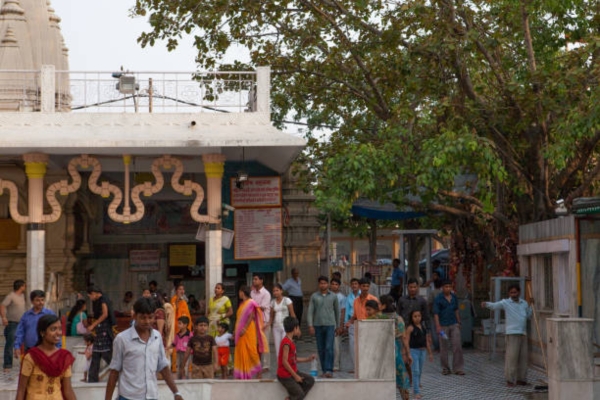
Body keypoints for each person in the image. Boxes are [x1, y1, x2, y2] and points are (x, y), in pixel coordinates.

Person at [105, 297, 184, 400]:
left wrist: (176, 392)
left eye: (150, 317)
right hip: (128, 397)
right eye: (142, 317)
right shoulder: (122, 339)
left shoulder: (157, 337)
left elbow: (163, 367)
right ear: (134, 316)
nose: (147, 321)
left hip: (152, 396)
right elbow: (114, 371)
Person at [482, 283, 532, 387]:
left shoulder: (524, 303)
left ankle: (521, 379)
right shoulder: (506, 302)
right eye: (511, 292)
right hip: (512, 333)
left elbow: (528, 316)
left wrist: (531, 306)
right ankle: (510, 379)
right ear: (509, 293)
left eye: (515, 292)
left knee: (523, 357)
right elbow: (494, 305)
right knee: (512, 357)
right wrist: (486, 304)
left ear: (519, 292)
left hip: (523, 332)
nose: (513, 294)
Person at [15, 314, 76, 400]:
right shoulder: (32, 356)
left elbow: (68, 390)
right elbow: (21, 390)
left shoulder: (64, 357)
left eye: (59, 329)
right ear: (42, 333)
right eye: (53, 329)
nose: (58, 333)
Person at [374, 295, 411, 400]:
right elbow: (404, 338)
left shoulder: (377, 318)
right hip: (397, 353)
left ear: (384, 305)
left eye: (379, 303)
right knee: (401, 378)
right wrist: (408, 354)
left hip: (382, 354)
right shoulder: (398, 318)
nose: (377, 305)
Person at [307, 275, 339, 378]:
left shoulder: (333, 296)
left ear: (328, 284)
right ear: (318, 284)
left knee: (329, 347)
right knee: (321, 348)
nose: (323, 285)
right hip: (318, 325)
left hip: (330, 324)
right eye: (321, 283)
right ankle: (324, 370)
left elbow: (337, 312)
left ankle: (329, 370)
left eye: (325, 283)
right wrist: (310, 325)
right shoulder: (314, 296)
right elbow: (310, 311)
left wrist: (338, 326)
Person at [234, 285, 268, 379]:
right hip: (240, 331)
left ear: (242, 292)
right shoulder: (241, 304)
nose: (239, 294)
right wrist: (235, 331)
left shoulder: (251, 303)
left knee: (252, 351)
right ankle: (242, 373)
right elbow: (238, 319)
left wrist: (244, 329)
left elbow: (251, 316)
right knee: (241, 351)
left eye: (239, 292)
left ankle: (259, 371)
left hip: (248, 330)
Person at [277, 316, 316, 400]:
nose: (299, 330)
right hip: (285, 375)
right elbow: (285, 362)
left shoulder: (291, 342)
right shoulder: (286, 343)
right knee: (300, 394)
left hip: (293, 372)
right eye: (298, 328)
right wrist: (295, 376)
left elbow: (294, 359)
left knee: (310, 380)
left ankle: (291, 398)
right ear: (295, 328)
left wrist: (308, 359)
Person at [433, 280, 464, 376]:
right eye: (446, 286)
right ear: (442, 287)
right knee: (444, 347)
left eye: (449, 286)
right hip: (443, 326)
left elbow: (456, 310)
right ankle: (445, 368)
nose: (448, 288)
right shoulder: (438, 298)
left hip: (454, 324)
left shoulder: (454, 297)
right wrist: (438, 326)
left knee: (457, 345)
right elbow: (436, 314)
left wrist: (459, 322)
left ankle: (458, 368)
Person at [14, 290, 57, 358]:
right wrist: (17, 347)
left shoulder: (50, 314)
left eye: (42, 300)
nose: (40, 302)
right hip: (30, 349)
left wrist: (57, 348)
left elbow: (56, 332)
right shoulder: (26, 315)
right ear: (32, 301)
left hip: (46, 350)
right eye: (37, 300)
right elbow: (20, 332)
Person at [85, 285, 114, 383]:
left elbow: (105, 314)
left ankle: (119, 374)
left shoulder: (103, 300)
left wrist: (93, 325)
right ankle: (92, 378)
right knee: (96, 353)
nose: (90, 298)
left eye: (90, 296)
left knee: (107, 354)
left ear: (94, 293)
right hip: (99, 330)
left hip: (104, 329)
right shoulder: (96, 302)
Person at [406, 310, 433, 399]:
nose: (417, 318)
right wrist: (408, 354)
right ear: (411, 318)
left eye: (419, 316)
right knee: (415, 371)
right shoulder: (410, 328)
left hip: (422, 351)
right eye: (415, 316)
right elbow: (406, 341)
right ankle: (416, 391)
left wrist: (430, 353)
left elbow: (426, 341)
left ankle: (417, 385)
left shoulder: (423, 327)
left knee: (420, 371)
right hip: (414, 351)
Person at [0, 279, 26, 371]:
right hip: (12, 323)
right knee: (10, 344)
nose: (25, 287)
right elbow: (2, 305)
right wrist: (4, 317)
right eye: (24, 286)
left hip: (22, 323)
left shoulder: (23, 296)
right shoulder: (11, 296)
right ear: (20, 286)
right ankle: (7, 365)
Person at [250, 273, 272, 372]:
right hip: (253, 321)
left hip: (263, 321)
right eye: (253, 279)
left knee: (264, 343)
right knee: (254, 343)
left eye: (256, 279)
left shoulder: (266, 293)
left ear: (261, 280)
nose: (254, 281)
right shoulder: (252, 293)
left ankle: (266, 365)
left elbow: (261, 307)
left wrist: (254, 306)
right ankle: (256, 364)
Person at [270, 283, 296, 362]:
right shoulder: (272, 302)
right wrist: (268, 324)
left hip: (286, 327)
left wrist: (296, 327)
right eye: (274, 291)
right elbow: (271, 316)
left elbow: (292, 314)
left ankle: (288, 364)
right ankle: (280, 367)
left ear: (281, 291)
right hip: (276, 327)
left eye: (277, 290)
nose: (275, 292)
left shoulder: (287, 300)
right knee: (278, 348)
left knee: (286, 346)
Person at [170, 282, 193, 372]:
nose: (182, 291)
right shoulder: (174, 299)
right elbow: (173, 310)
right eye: (180, 289)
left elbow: (187, 314)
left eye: (183, 289)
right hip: (178, 327)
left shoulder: (184, 301)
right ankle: (176, 367)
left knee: (187, 346)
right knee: (178, 346)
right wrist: (177, 300)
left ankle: (188, 366)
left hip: (187, 327)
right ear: (176, 291)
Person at [343, 278, 360, 373]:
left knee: (361, 345)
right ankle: (355, 367)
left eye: (356, 284)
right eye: (352, 284)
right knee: (352, 345)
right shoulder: (348, 297)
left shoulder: (362, 295)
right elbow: (346, 311)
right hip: (352, 322)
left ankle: (362, 365)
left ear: (359, 285)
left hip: (361, 321)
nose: (354, 286)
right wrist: (346, 323)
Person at [329, 277, 345, 372]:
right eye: (333, 284)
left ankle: (336, 365)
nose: (334, 286)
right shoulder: (327, 295)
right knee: (328, 346)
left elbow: (342, 312)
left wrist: (341, 326)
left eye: (336, 284)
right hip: (327, 323)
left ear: (339, 286)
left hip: (337, 323)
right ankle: (328, 364)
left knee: (336, 346)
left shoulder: (342, 297)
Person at [170, 316, 193, 380]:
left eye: (180, 323)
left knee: (185, 365)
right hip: (179, 352)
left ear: (185, 325)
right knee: (178, 365)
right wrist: (168, 347)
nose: (178, 325)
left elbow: (192, 344)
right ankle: (179, 377)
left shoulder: (190, 335)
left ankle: (185, 378)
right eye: (178, 323)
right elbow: (174, 343)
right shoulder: (177, 335)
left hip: (187, 353)